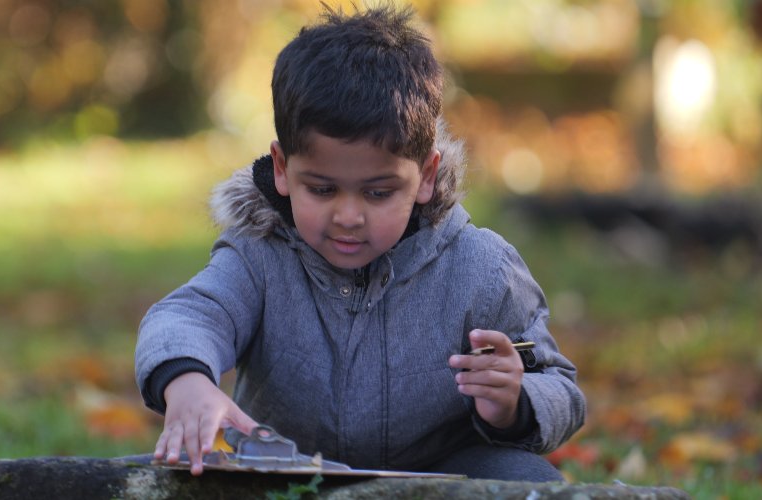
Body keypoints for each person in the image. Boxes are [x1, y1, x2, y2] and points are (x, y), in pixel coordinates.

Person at [133, 5, 584, 481]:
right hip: (281, 473)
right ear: (283, 170)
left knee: (529, 481)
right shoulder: (259, 254)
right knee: (171, 477)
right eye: (322, 190)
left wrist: (515, 402)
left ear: (426, 176)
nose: (348, 217)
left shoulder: (481, 269)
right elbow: (189, 315)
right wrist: (186, 381)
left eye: (378, 192)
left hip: (438, 479)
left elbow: (558, 384)